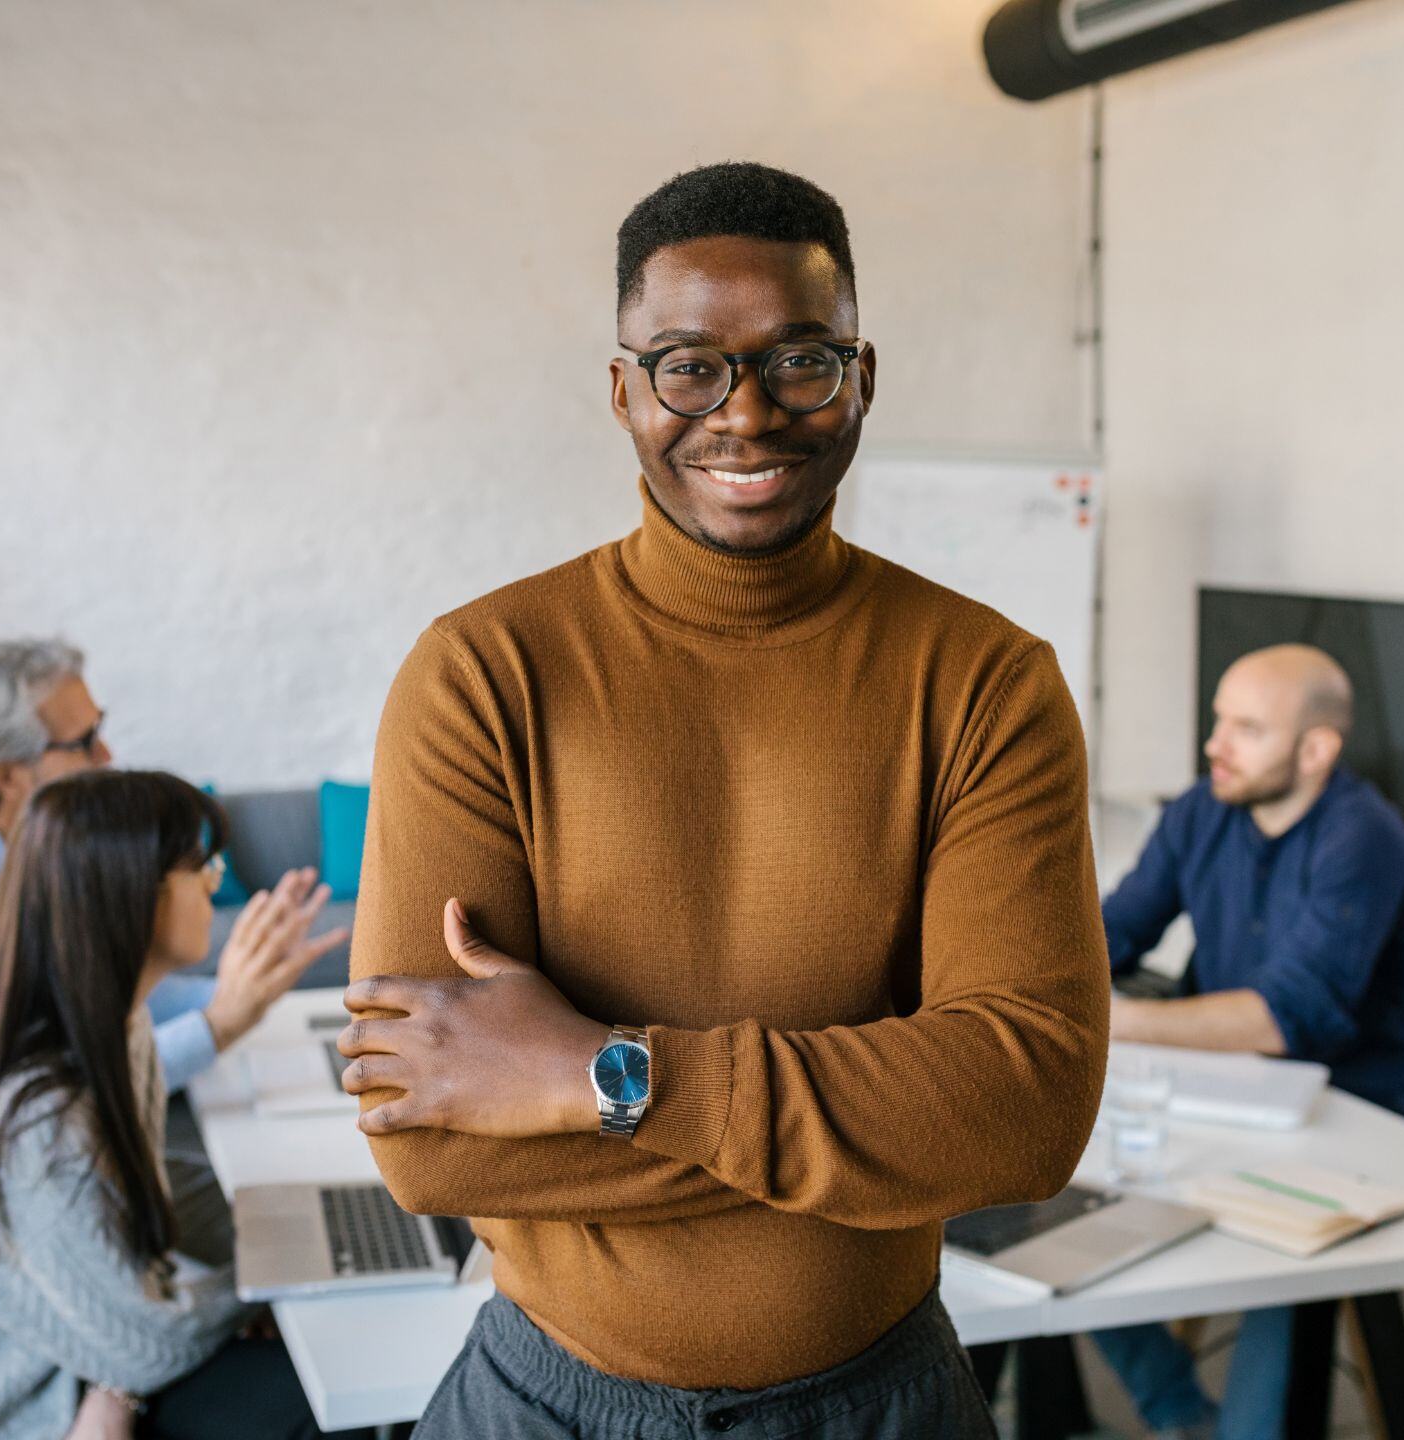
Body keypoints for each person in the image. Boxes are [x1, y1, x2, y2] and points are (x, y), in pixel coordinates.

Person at [332, 161, 1110, 1438]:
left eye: (800, 361)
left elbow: (1021, 1112)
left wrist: (591, 1073)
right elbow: (431, 1145)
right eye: (690, 365)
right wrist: (868, 1127)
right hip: (547, 1404)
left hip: (883, 1404)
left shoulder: (984, 683)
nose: (745, 416)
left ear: (862, 376)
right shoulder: (482, 673)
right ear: (624, 390)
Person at [0, 770, 333, 1440]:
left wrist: (286, 1239)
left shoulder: (102, 1025)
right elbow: (148, 1345)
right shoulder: (36, 1119)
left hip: (60, 1355)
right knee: (309, 1392)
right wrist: (267, 1279)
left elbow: (130, 1193)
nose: (216, 885)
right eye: (202, 867)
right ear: (137, 896)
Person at [1092, 643, 1404, 1440]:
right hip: (1245, 1098)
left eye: (1246, 728)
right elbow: (1109, 934)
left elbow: (1283, 1020)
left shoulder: (1363, 837)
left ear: (1316, 749)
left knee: (1283, 1264)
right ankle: (1179, 1413)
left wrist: (1107, 1018)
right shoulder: (1202, 808)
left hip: (1378, 1114)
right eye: (1219, 720)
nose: (1214, 745)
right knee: (1046, 1201)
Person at [0, 638, 347, 1172]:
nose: (107, 757)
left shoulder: (21, 857)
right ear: (7, 777)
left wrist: (246, 988)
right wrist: (218, 1022)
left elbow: (105, 1000)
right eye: (84, 742)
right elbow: (29, 1105)